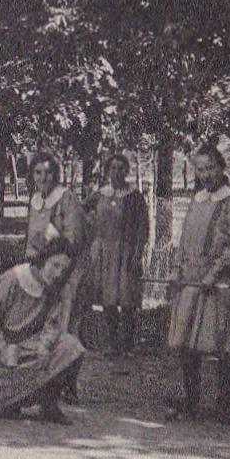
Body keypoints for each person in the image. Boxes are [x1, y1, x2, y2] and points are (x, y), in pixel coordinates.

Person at [165, 143, 230, 423]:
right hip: (192, 280)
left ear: (222, 167)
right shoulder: (197, 199)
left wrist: (213, 274)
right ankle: (192, 401)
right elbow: (186, 239)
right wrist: (177, 269)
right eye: (200, 169)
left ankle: (222, 405)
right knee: (187, 344)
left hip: (220, 285)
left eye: (210, 168)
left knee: (224, 346)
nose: (206, 175)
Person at [0, 241, 85, 424]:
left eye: (63, 269)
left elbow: (53, 323)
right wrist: (3, 349)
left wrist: (45, 344)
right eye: (55, 265)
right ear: (43, 261)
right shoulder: (12, 280)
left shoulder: (54, 288)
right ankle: (4, 400)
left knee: (72, 347)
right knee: (2, 406)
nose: (58, 274)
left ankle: (48, 404)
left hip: (29, 348)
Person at [25, 152, 86, 399]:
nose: (43, 177)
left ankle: (69, 383)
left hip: (67, 271)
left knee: (67, 325)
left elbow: (74, 240)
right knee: (42, 325)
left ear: (56, 174)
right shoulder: (35, 200)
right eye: (38, 172)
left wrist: (50, 248)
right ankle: (45, 381)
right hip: (43, 272)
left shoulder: (66, 199)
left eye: (48, 172)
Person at [84, 152, 149, 355]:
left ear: (127, 171)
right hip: (104, 251)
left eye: (121, 168)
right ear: (107, 171)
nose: (116, 172)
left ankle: (128, 344)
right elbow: (82, 213)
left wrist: (137, 251)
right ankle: (113, 344)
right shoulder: (99, 194)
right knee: (108, 299)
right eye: (112, 168)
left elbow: (143, 226)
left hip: (126, 250)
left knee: (127, 299)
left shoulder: (134, 196)